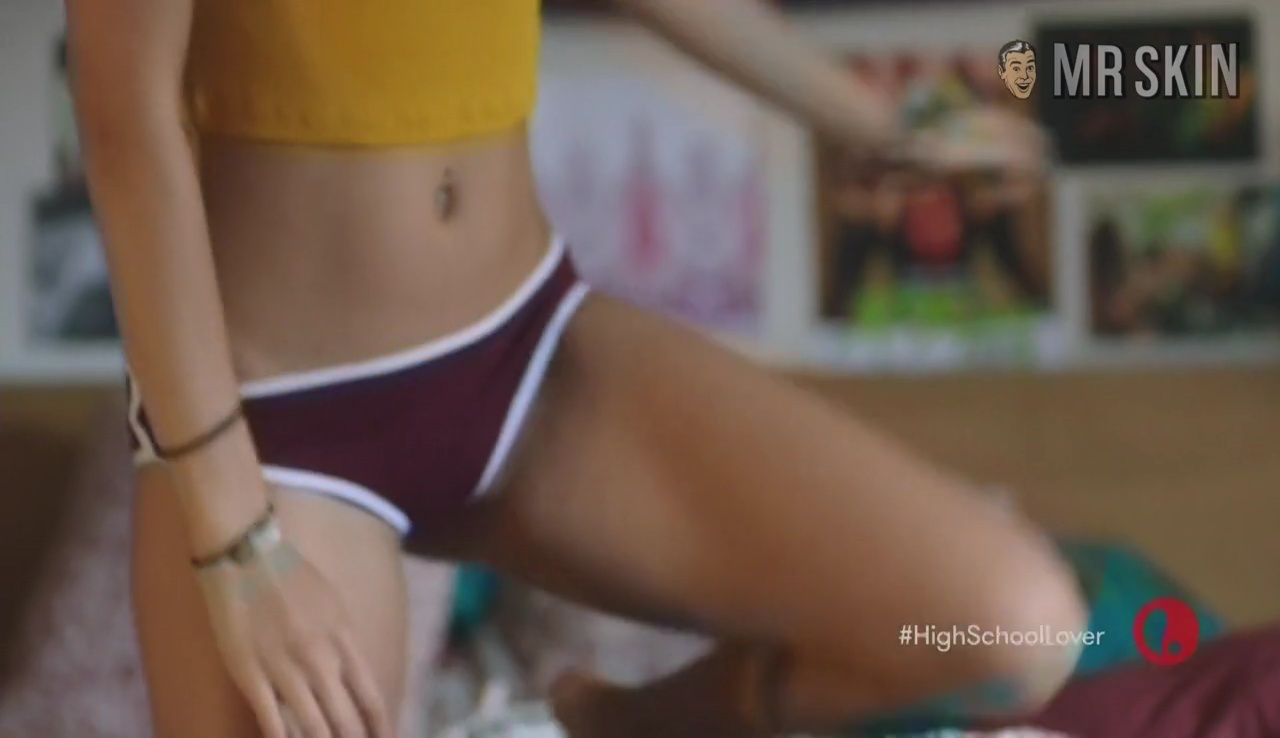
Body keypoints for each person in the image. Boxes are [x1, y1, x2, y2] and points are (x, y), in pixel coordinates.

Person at [66, 0, 1085, 736]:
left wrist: (885, 128)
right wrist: (237, 547)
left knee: (1009, 630)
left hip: (526, 348)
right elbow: (126, 127)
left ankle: (617, 728)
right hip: (282, 428)